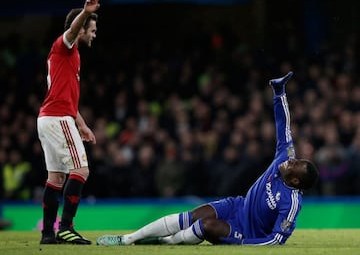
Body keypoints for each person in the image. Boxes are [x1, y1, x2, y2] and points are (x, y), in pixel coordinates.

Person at [96, 71, 319, 246]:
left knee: (206, 225)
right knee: (194, 215)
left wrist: (244, 244)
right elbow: (284, 126)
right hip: (237, 206)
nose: (291, 160)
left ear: (296, 181)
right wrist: (279, 93)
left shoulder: (291, 203)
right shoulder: (284, 156)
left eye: (295, 165)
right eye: (295, 159)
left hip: (247, 232)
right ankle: (128, 238)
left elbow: (276, 239)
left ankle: (164, 241)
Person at [37, 0, 101, 245]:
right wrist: (85, 13)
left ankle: (48, 234)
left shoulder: (70, 57)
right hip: (57, 119)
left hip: (50, 118)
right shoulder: (64, 45)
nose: (94, 34)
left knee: (56, 178)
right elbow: (73, 30)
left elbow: (66, 97)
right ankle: (66, 227)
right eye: (92, 29)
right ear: (81, 28)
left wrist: (82, 124)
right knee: (81, 170)